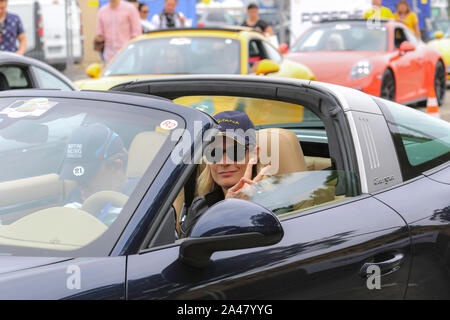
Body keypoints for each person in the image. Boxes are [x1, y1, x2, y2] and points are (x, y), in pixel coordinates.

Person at [180, 111, 271, 238]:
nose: (223, 162)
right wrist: (226, 210)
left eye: (235, 152)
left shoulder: (275, 204)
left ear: (254, 155)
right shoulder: (200, 207)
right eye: (213, 153)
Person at [60, 123, 137, 225]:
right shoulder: (77, 194)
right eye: (74, 175)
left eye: (86, 174)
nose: (79, 183)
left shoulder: (141, 200)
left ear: (116, 166)